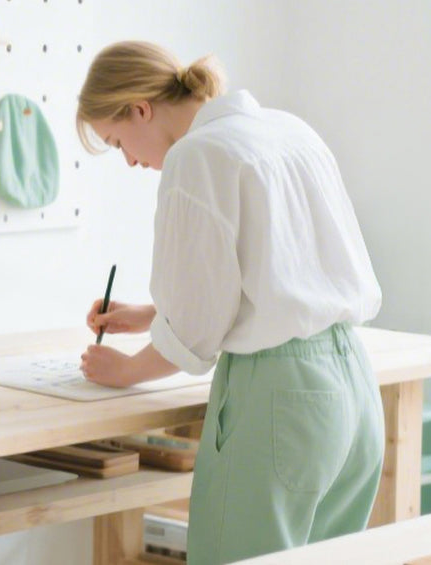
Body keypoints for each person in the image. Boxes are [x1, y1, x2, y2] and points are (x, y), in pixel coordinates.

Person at [74, 41, 385, 564]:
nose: (129, 160)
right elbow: (275, 280)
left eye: (118, 140)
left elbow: (194, 335)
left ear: (140, 108)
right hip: (353, 389)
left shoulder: (196, 157)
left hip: (279, 398)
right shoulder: (290, 130)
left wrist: (125, 371)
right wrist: (153, 316)